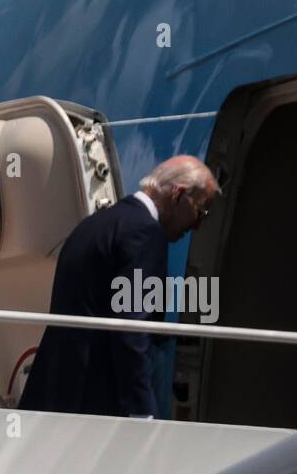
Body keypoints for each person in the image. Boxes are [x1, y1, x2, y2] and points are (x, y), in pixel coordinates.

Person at [19, 155, 218, 418]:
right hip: (95, 406)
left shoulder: (93, 225)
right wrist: (141, 412)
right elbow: (132, 329)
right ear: (178, 195)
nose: (197, 224)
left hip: (54, 394)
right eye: (200, 211)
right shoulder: (146, 234)